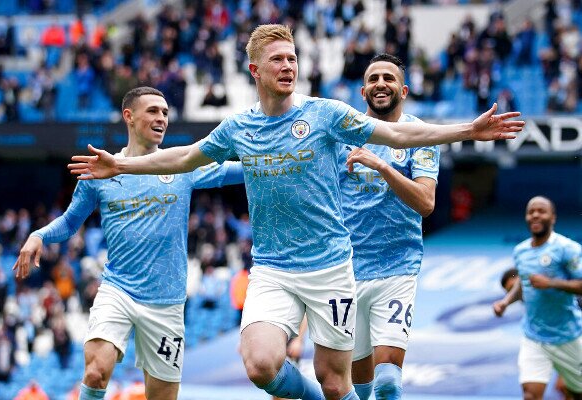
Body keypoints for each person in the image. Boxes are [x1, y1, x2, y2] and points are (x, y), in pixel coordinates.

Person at [67, 24, 524, 400]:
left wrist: (469, 129)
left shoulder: (326, 114)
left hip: (331, 269)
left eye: (292, 59)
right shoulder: (239, 128)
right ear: (255, 70)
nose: (288, 67)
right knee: (261, 364)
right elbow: (184, 158)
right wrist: (120, 164)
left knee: (335, 381)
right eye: (278, 60)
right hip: (272, 269)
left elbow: (400, 137)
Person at [13, 87, 244, 400]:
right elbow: (70, 222)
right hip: (117, 290)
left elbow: (238, 171)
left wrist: (284, 163)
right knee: (96, 371)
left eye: (165, 112)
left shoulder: (182, 165)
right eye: (152, 111)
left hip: (167, 301)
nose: (161, 117)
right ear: (129, 116)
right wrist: (39, 234)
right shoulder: (100, 171)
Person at [338, 53, 439, 400]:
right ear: (363, 91)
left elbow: (426, 203)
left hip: (398, 267)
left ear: (404, 90)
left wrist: (381, 164)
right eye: (374, 78)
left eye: (389, 78)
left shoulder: (420, 135)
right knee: (358, 389)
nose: (381, 83)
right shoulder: (341, 135)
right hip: (344, 272)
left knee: (387, 384)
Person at [493, 196, 582, 400]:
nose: (535, 214)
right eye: (531, 211)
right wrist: (505, 302)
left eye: (541, 211)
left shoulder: (568, 248)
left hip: (567, 336)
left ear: (553, 217)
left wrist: (551, 283)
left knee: (576, 393)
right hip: (533, 336)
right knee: (531, 395)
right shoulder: (521, 251)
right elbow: (522, 282)